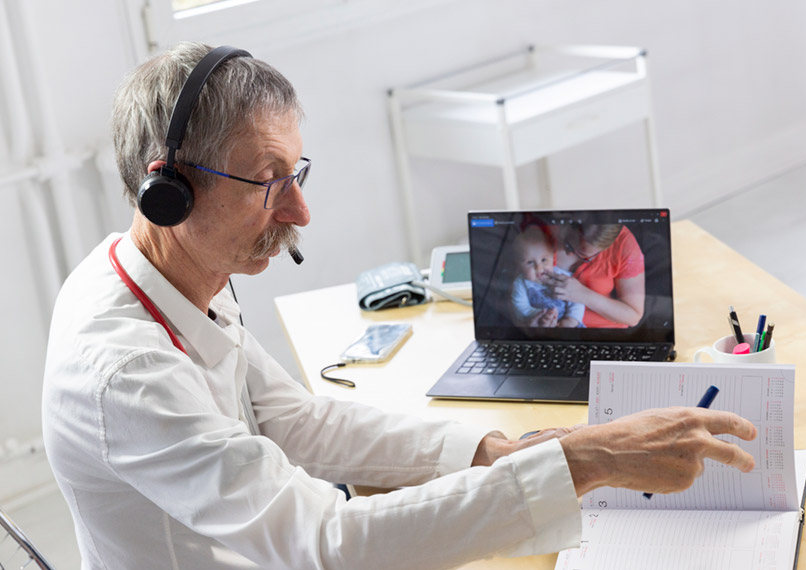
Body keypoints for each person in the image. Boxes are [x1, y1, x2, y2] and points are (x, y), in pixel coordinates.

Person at [42, 43, 758, 570]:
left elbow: (293, 419)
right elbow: (324, 542)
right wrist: (581, 460)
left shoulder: (169, 279)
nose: (300, 210)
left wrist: (490, 453)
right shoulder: (125, 368)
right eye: (267, 180)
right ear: (167, 190)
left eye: (296, 173)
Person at [545, 221, 646, 328]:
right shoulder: (546, 226)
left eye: (584, 257)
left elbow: (633, 317)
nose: (568, 253)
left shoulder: (624, 244)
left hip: (603, 334)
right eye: (568, 244)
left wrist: (583, 295)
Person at [511, 224, 584, 328]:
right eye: (530, 262)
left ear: (553, 258)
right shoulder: (520, 284)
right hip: (538, 324)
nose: (539, 268)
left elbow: (578, 300)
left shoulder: (562, 276)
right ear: (519, 266)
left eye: (544, 260)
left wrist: (571, 320)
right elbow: (520, 308)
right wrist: (544, 315)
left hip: (568, 324)